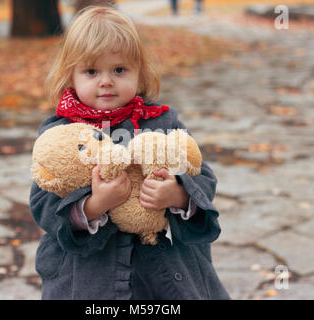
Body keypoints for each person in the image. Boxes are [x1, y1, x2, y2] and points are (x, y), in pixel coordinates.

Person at [30, 6, 229, 300]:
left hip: (162, 274)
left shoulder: (162, 122)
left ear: (139, 72)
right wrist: (94, 205)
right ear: (70, 76)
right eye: (91, 71)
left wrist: (177, 195)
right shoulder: (60, 135)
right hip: (88, 279)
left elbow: (203, 177)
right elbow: (42, 202)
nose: (106, 81)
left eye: (119, 70)